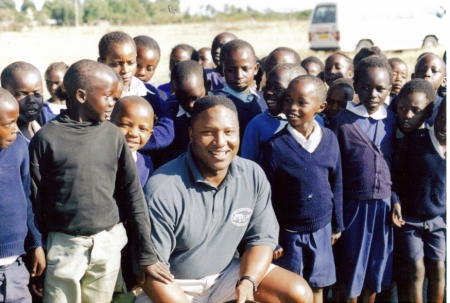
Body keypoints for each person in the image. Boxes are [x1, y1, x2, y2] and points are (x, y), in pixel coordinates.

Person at [136, 95, 314, 303]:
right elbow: (150, 273)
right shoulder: (162, 188)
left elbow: (262, 238)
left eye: (229, 132)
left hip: (225, 276)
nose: (221, 142)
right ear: (191, 135)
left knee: (298, 293)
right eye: (208, 133)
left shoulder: (252, 175)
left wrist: (248, 281)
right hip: (173, 284)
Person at [29, 60, 172, 303]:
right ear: (81, 95)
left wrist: (147, 255)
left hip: (107, 245)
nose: (112, 104)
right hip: (63, 248)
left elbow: (133, 195)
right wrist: (36, 246)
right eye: (108, 97)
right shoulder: (46, 138)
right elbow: (33, 199)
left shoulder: (112, 136)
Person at [261, 75, 343, 303]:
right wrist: (272, 237)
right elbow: (266, 197)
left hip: (322, 229)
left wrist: (337, 224)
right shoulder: (275, 146)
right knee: (292, 290)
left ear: (321, 107)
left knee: (318, 287)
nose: (292, 108)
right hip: (289, 234)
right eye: (288, 100)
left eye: (301, 102)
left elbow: (336, 183)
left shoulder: (330, 139)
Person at [329, 57, 397, 302]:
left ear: (389, 89)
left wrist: (395, 200)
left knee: (375, 274)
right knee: (351, 274)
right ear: (356, 86)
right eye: (366, 87)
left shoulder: (391, 120)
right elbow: (333, 173)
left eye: (380, 88)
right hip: (354, 209)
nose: (372, 94)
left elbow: (393, 167)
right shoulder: (342, 123)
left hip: (384, 209)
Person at [392, 99, 446, 303]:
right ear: (436, 115)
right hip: (410, 219)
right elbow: (395, 176)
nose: (444, 126)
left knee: (439, 268)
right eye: (441, 118)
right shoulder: (416, 140)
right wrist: (396, 201)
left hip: (437, 220)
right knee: (416, 268)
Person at [0, 88, 45, 302]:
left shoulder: (19, 147)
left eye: (16, 122)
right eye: (7, 124)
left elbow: (27, 197)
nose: (15, 130)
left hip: (15, 265)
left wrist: (36, 244)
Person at [98, 31, 174, 155]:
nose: (125, 70)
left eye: (131, 63)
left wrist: (137, 141)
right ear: (101, 62)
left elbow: (168, 129)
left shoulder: (149, 93)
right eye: (116, 64)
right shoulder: (97, 95)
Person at [110, 95, 156, 291]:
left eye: (142, 129)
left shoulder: (146, 164)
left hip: (131, 244)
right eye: (125, 125)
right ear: (110, 123)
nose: (133, 133)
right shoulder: (102, 159)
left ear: (151, 133)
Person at [241, 63, 307, 163]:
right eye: (267, 86)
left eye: (278, 88)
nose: (268, 92)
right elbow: (248, 164)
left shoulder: (315, 122)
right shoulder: (257, 124)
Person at [212, 39, 263, 141]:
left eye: (245, 69)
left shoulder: (264, 100)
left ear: (256, 68)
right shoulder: (215, 102)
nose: (239, 76)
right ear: (223, 69)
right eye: (231, 70)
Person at [164, 60, 210, 163]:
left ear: (208, 86)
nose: (190, 105)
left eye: (195, 98)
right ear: (173, 89)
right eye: (182, 99)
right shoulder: (168, 113)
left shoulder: (218, 111)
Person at [1, 61, 44, 143]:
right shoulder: (5, 141)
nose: (31, 101)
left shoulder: (46, 126)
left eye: (37, 94)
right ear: (5, 94)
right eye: (22, 94)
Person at [414, 53, 446, 126]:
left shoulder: (444, 107)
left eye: (434, 71)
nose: (427, 73)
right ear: (413, 76)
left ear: (444, 81)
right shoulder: (401, 101)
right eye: (422, 70)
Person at [133, 35, 167, 100]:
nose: (142, 73)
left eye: (149, 69)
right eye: (138, 65)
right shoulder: (117, 93)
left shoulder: (159, 97)